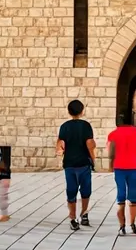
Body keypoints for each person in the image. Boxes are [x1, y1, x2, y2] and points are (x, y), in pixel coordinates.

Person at [56, 99, 96, 231]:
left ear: (69, 111)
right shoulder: (86, 126)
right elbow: (90, 144)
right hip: (84, 163)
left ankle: (72, 218)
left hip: (69, 164)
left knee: (71, 191)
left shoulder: (64, 126)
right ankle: (84, 214)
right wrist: (93, 159)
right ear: (82, 111)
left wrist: (61, 153)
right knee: (85, 190)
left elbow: (60, 145)